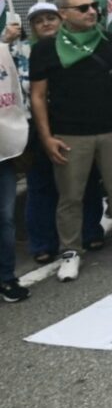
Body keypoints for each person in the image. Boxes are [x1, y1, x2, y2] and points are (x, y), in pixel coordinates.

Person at [30, 0, 112, 280]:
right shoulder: (45, 49)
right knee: (70, 196)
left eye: (93, 6)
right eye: (83, 8)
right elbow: (37, 96)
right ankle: (71, 251)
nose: (92, 12)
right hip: (69, 134)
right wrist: (46, 136)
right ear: (64, 14)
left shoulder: (109, 41)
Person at [16, 3, 105, 262]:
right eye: (38, 21)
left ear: (61, 19)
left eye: (50, 18)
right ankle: (43, 243)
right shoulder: (17, 51)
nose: (45, 24)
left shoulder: (80, 46)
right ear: (31, 27)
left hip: (73, 124)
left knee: (84, 181)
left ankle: (90, 231)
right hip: (34, 128)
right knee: (40, 186)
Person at [1, 32, 30, 301]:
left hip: (3, 152)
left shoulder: (2, 53)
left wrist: (17, 135)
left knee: (6, 219)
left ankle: (7, 277)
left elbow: (15, 99)